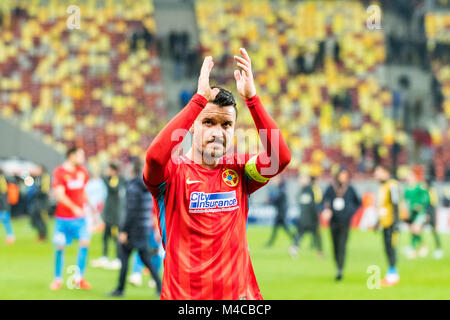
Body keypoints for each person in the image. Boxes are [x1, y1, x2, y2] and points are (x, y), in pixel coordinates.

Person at [143, 50, 291, 299]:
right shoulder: (172, 174)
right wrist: (197, 102)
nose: (218, 132)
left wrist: (252, 100)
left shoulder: (240, 171)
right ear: (192, 124)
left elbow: (281, 158)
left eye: (226, 125)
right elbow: (155, 158)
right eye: (208, 122)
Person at [109, 159, 162, 298]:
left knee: (125, 258)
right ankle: (159, 286)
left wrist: (124, 230)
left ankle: (120, 289)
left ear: (132, 170)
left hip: (133, 230)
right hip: (144, 228)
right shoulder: (147, 186)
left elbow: (130, 211)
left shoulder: (132, 187)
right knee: (145, 259)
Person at [50, 147, 92, 291]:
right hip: (63, 219)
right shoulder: (59, 172)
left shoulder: (83, 172)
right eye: (81, 155)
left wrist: (90, 207)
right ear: (71, 156)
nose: (83, 158)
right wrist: (74, 208)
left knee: (85, 243)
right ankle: (57, 279)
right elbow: (59, 195)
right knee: (60, 245)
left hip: (80, 219)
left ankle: (78, 278)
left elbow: (83, 191)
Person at [322, 168, 361, 281]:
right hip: (333, 221)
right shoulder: (331, 188)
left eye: (345, 175)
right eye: (342, 175)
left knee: (342, 245)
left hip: (345, 222)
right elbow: (323, 201)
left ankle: (340, 269)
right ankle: (337, 266)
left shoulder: (350, 189)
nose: (343, 177)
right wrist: (326, 210)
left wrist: (350, 212)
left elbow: (358, 203)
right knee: (335, 246)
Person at [91, 162, 124, 270]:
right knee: (105, 236)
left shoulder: (116, 179)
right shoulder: (112, 179)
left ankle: (118, 259)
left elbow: (112, 188)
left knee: (115, 238)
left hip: (114, 216)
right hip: (109, 215)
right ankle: (104, 257)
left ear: (114, 171)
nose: (107, 172)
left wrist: (103, 178)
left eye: (109, 170)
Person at [374, 164, 400, 286]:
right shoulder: (382, 187)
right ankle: (391, 274)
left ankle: (393, 276)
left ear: (385, 172)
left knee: (391, 248)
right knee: (387, 248)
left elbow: (395, 204)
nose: (375, 175)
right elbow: (382, 207)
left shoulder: (392, 185)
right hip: (385, 222)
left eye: (378, 172)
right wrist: (378, 222)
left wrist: (396, 223)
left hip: (391, 223)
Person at [290, 174, 323, 258]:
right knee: (315, 235)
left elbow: (312, 204)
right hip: (308, 218)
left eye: (302, 179)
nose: (300, 181)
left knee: (303, 234)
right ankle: (319, 252)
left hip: (307, 217)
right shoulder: (306, 190)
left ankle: (294, 247)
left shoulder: (308, 190)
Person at [404, 170, 429, 259]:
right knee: (412, 231)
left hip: (420, 212)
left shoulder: (420, 186)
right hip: (411, 213)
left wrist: (420, 205)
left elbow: (426, 198)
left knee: (415, 229)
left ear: (414, 176)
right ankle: (420, 246)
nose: (408, 177)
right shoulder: (407, 188)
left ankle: (416, 249)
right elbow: (405, 202)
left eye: (410, 175)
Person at [265, 175, 294, 247]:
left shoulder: (281, 189)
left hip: (282, 213)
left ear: (279, 180)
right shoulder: (280, 188)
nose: (274, 181)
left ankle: (295, 238)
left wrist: (271, 201)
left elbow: (277, 200)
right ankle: (270, 242)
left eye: (275, 180)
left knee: (284, 228)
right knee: (279, 228)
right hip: (280, 212)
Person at [423, 179, 443, 259]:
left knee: (433, 231)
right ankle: (423, 248)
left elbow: (431, 205)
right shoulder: (431, 191)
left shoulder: (430, 192)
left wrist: (428, 215)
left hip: (430, 214)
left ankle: (438, 249)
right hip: (430, 213)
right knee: (424, 231)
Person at [30, 165, 50, 242]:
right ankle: (40, 235)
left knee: (42, 220)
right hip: (37, 202)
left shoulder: (45, 177)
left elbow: (44, 191)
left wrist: (35, 193)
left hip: (43, 203)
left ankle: (43, 236)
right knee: (36, 218)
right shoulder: (38, 178)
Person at [0, 169, 14, 244]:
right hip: (4, 205)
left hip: (3, 205)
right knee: (6, 221)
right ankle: (10, 237)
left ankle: (10, 237)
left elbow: (3, 194)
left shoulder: (2, 179)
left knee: (6, 221)